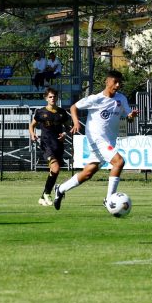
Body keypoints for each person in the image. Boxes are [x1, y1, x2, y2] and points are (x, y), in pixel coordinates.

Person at [54, 70, 139, 211]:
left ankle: (60, 189)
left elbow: (128, 117)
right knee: (119, 161)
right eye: (115, 82)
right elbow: (74, 107)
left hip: (109, 141)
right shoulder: (96, 99)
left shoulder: (121, 99)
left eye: (119, 83)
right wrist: (76, 122)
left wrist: (131, 116)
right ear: (107, 81)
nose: (117, 85)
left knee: (88, 173)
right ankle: (109, 199)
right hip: (97, 139)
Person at [28, 87, 70, 206]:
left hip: (58, 145)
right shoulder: (41, 112)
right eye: (50, 97)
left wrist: (65, 134)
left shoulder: (62, 112)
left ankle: (43, 196)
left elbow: (68, 127)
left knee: (55, 171)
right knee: (55, 168)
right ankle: (47, 194)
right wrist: (32, 134)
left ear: (57, 98)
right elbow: (32, 125)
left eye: (54, 96)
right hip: (47, 144)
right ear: (46, 98)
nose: (52, 98)